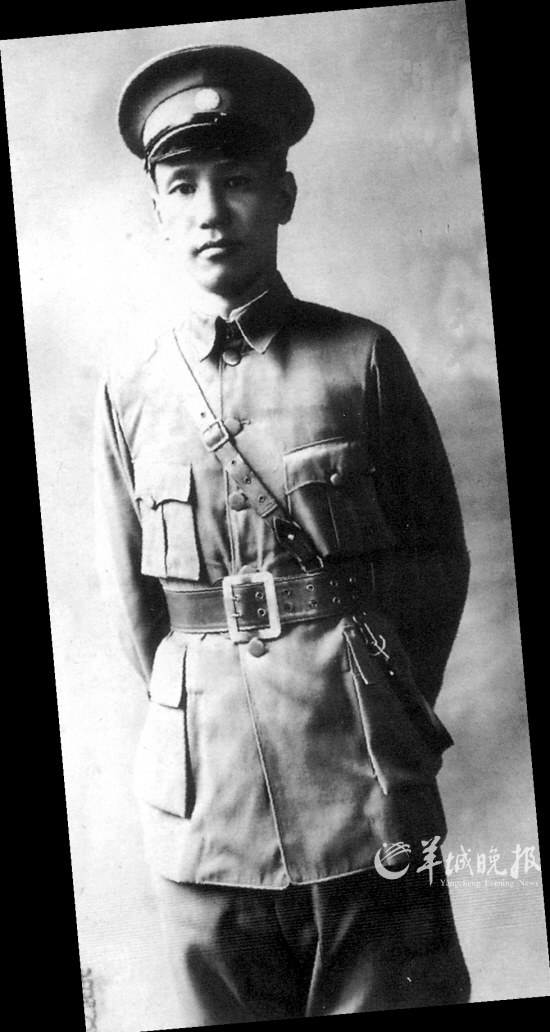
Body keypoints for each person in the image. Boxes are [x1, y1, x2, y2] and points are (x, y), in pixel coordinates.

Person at [94, 43, 472, 1024]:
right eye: (183, 187)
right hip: (204, 808)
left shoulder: (361, 358)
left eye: (238, 180)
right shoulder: (129, 392)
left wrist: (380, 712)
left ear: (284, 195)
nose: (211, 211)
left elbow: (435, 564)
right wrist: (198, 715)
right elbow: (137, 612)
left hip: (361, 788)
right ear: (157, 212)